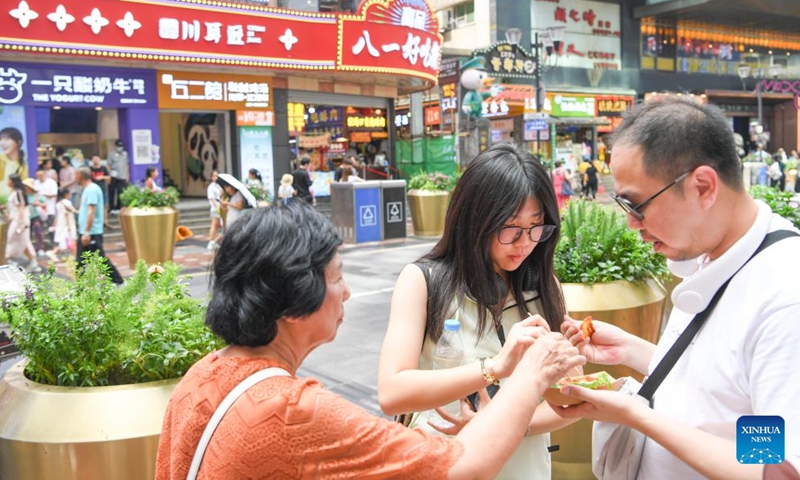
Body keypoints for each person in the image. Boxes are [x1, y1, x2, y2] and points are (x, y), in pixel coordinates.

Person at [154, 204, 585, 479]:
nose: (347, 292)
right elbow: (460, 466)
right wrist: (528, 375)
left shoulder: (203, 374)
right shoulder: (295, 410)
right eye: (337, 278)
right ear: (289, 300)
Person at [553, 96, 800, 479]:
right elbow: (725, 391)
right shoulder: (714, 253)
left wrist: (637, 416)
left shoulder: (784, 295)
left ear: (703, 187)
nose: (632, 225)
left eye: (637, 205)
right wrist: (634, 351)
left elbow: (774, 463)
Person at [378, 144, 581, 479]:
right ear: (475, 219)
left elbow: (574, 400)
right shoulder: (423, 281)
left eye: (536, 227)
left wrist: (505, 421)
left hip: (524, 468)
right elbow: (392, 392)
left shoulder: (543, 285)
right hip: (443, 463)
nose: (524, 243)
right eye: (511, 229)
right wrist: (494, 368)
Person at [76, 166, 123, 284]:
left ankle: (118, 281)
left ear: (80, 176)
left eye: (76, 175)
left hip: (91, 232)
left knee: (100, 259)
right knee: (82, 261)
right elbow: (88, 211)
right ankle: (81, 287)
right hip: (87, 231)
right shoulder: (88, 189)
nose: (75, 177)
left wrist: (86, 232)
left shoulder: (91, 190)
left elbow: (92, 211)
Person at [5, 174, 39, 273]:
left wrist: (20, 224)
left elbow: (21, 209)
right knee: (25, 242)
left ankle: (7, 262)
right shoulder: (17, 193)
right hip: (18, 221)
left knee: (12, 241)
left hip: (19, 222)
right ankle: (33, 263)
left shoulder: (18, 193)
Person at [46, 188, 77, 262]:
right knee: (71, 240)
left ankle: (72, 256)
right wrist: (69, 226)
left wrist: (55, 225)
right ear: (66, 194)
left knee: (64, 241)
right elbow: (67, 214)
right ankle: (72, 256)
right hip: (67, 224)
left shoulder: (58, 204)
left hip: (61, 224)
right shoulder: (67, 203)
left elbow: (57, 216)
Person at [23, 178, 46, 258]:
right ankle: (27, 250)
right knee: (27, 234)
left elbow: (44, 204)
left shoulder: (37, 195)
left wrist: (38, 204)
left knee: (38, 231)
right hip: (26, 217)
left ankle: (39, 248)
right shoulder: (23, 195)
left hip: (35, 216)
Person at [107, 139, 129, 215]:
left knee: (121, 192)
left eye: (121, 146)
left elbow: (126, 165)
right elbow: (108, 165)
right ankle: (112, 208)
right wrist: (109, 175)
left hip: (122, 176)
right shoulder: (111, 154)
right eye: (118, 146)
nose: (120, 147)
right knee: (112, 192)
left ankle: (119, 207)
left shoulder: (125, 154)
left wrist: (127, 175)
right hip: (113, 176)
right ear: (115, 146)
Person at [90, 155, 111, 228]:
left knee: (104, 206)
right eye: (94, 159)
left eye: (97, 159)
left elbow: (109, 177)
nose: (95, 160)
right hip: (93, 190)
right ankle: (96, 221)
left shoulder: (103, 168)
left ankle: (105, 222)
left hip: (102, 189)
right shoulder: (90, 169)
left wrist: (102, 177)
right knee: (94, 205)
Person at [206, 171, 223, 251]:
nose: (216, 177)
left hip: (222, 207)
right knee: (215, 224)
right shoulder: (211, 187)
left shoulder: (220, 186)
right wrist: (217, 207)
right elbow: (212, 199)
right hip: (215, 208)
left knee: (222, 225)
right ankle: (211, 241)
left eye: (217, 176)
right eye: (214, 176)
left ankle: (217, 242)